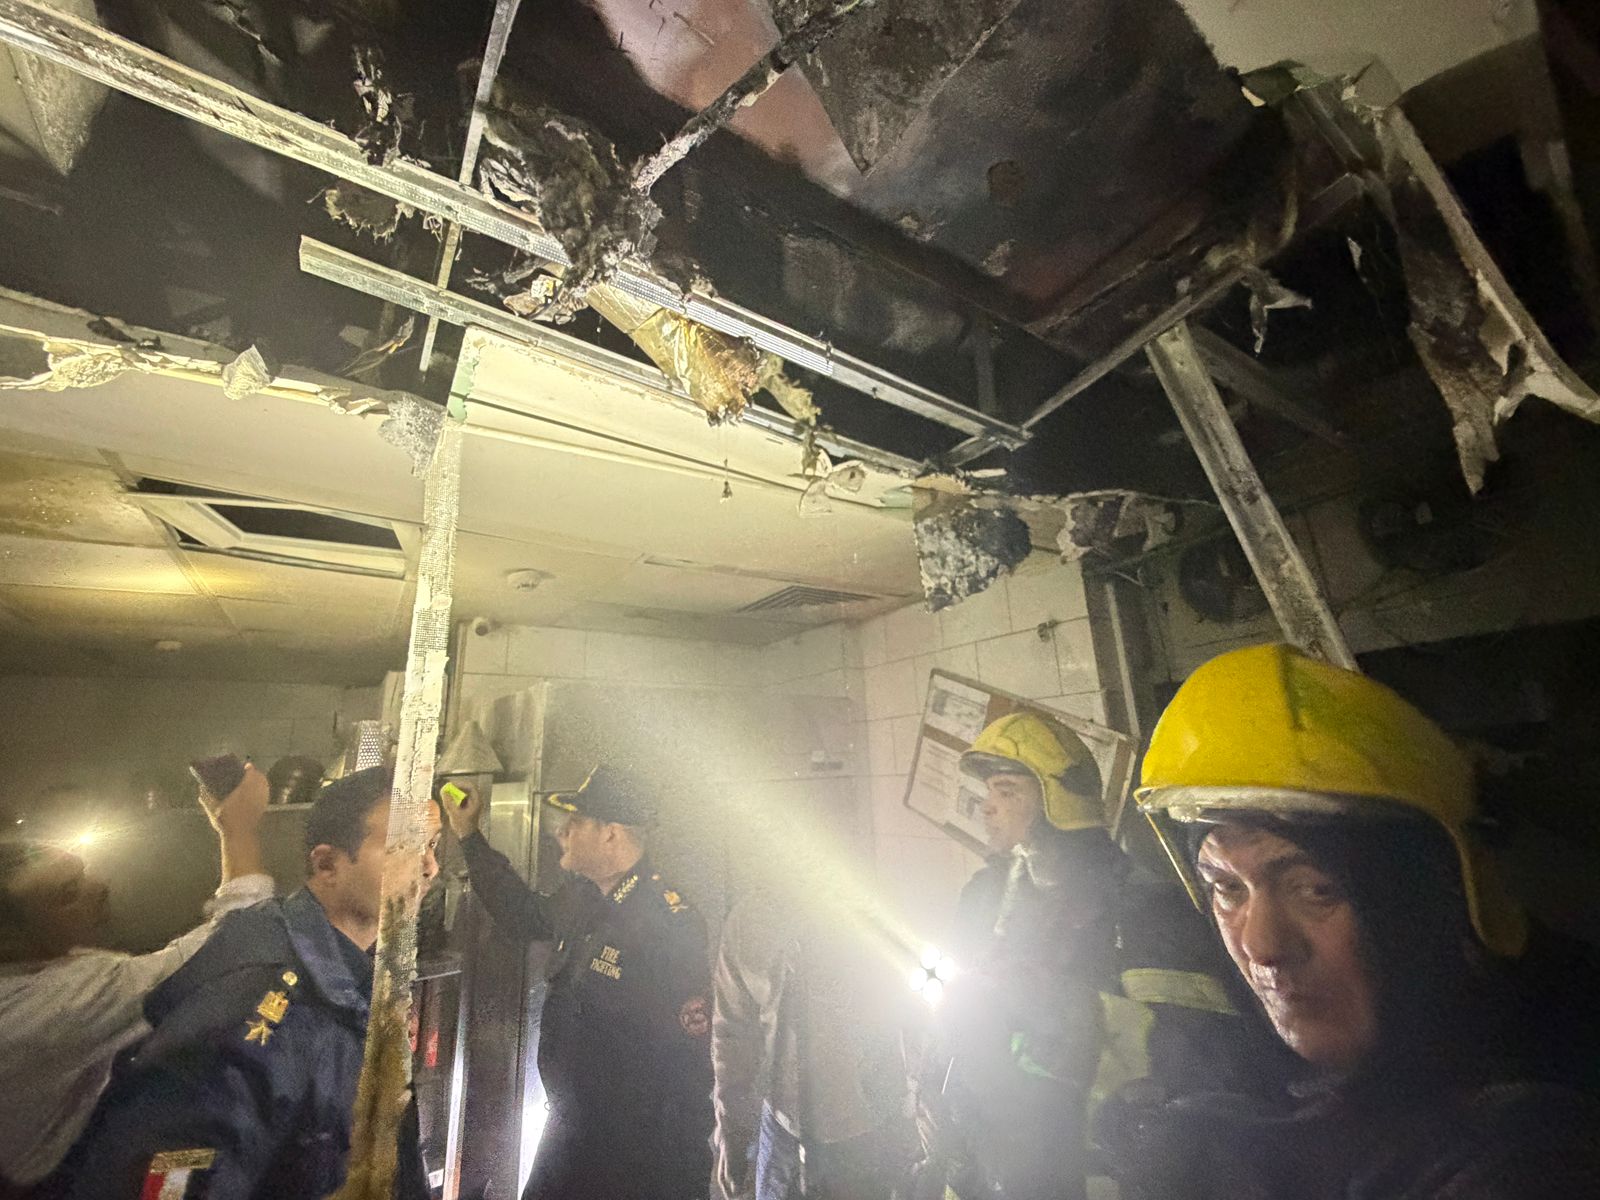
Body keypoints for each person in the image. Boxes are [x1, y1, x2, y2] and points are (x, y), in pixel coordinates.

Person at [1126, 642, 1600, 1198]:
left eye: (1317, 889)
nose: (1261, 945)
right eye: (1228, 889)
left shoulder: (1530, 1153)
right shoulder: (1245, 1083)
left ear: (1421, 906)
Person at [918, 711, 1265, 1200]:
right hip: (986, 1163)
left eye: (1007, 791)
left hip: (1093, 1171)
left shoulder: (1143, 909)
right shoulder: (983, 897)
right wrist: (933, 1085)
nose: (987, 806)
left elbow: (1203, 1065)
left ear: (1057, 799)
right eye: (989, 791)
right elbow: (954, 1015)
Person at [60, 765, 441, 1200]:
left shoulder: (346, 979)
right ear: (327, 864)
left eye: (432, 844)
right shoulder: (264, 995)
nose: (429, 866)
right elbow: (173, 1175)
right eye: (404, 846)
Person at [0, 765, 273, 1194]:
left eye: (84, 872)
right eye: (67, 894)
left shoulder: (35, 966)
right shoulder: (43, 1007)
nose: (99, 887)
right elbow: (231, 947)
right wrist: (238, 832)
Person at [444, 766, 713, 1200]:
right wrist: (468, 835)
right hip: (572, 1131)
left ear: (611, 834)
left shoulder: (667, 922)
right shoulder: (583, 897)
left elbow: (689, 1065)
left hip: (632, 1153)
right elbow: (522, 913)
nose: (562, 831)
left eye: (578, 821)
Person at [710, 811, 907, 1200]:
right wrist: (731, 1131)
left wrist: (908, 1122)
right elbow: (731, 1033)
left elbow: (905, 1024)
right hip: (783, 1124)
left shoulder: (865, 917)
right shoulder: (748, 922)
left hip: (861, 1127)